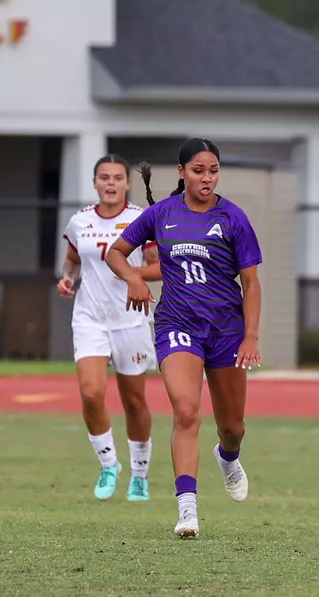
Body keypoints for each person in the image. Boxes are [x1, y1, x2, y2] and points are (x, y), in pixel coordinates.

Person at [105, 138, 263, 539]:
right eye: (198, 171)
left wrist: (250, 336)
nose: (206, 178)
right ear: (181, 172)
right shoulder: (161, 214)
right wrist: (133, 278)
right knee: (187, 412)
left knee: (234, 427)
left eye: (213, 171)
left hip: (226, 331)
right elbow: (115, 253)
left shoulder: (234, 218)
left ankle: (227, 457)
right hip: (177, 325)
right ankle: (187, 510)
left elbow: (252, 284)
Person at [58, 154, 160, 502]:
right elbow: (72, 259)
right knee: (90, 393)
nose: (111, 183)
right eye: (105, 177)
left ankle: (140, 475)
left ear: (127, 183)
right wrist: (67, 279)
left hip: (131, 318)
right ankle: (108, 464)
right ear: (95, 182)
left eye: (118, 177)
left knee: (134, 401)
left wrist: (131, 276)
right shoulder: (79, 221)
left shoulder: (140, 219)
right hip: (90, 317)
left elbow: (158, 266)